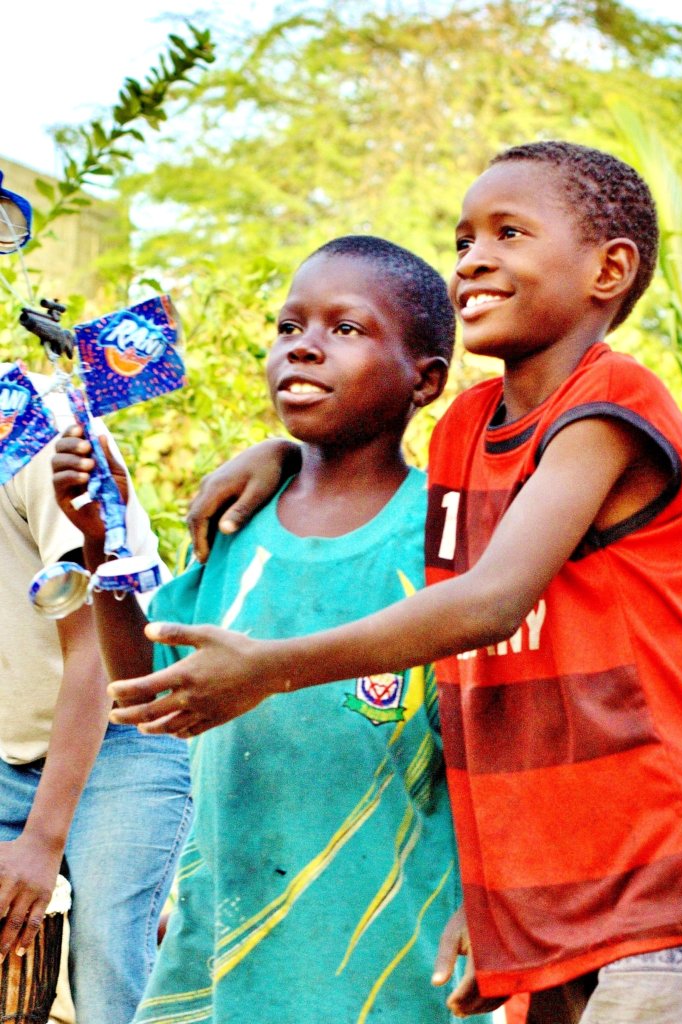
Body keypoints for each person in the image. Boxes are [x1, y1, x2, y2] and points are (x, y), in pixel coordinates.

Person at [98, 143, 682, 1023]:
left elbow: (489, 605)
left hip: (663, 870)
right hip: (547, 895)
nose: (473, 259)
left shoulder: (614, 406)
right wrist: (287, 453)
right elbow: (382, 503)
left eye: (508, 233)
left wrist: (270, 666)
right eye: (463, 239)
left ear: (609, 269)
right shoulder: (461, 430)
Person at [53, 236, 493, 1024]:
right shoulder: (237, 524)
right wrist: (103, 541)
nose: (305, 347)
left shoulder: (445, 539)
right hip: (218, 974)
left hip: (393, 975)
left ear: (424, 380)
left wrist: (491, 900)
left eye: (346, 329)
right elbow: (141, 693)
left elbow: (494, 744)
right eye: (289, 326)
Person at [0, 366, 192, 1024]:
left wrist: (42, 841)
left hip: (123, 733)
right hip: (9, 749)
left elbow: (94, 655)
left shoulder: (32, 426)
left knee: (107, 958)